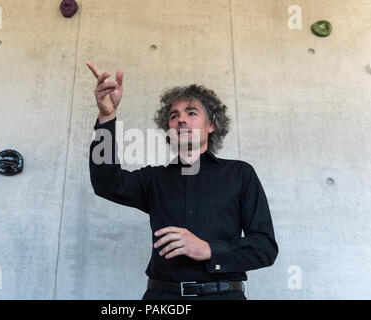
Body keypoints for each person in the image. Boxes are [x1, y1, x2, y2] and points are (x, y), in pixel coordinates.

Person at [85, 60, 278, 300]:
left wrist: (209, 249)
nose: (181, 120)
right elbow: (106, 183)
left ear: (211, 125)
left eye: (191, 113)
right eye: (174, 116)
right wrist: (107, 117)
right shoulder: (154, 179)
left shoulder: (240, 174)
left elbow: (264, 248)